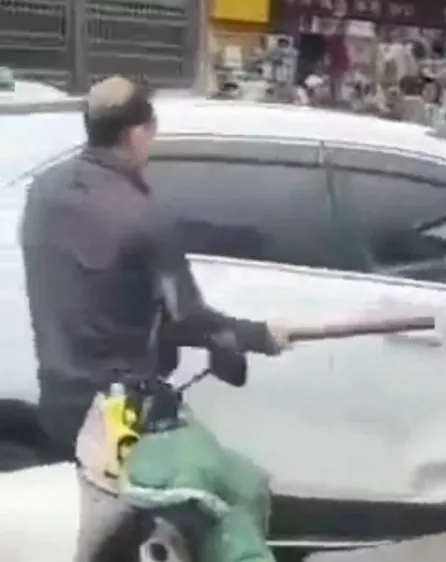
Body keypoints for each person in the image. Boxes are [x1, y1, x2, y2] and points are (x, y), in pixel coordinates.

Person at [19, 76, 290, 561]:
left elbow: (97, 289)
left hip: (57, 407)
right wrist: (256, 335)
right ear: (138, 132)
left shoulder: (43, 192)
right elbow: (188, 317)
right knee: (234, 495)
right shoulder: (143, 215)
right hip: (123, 421)